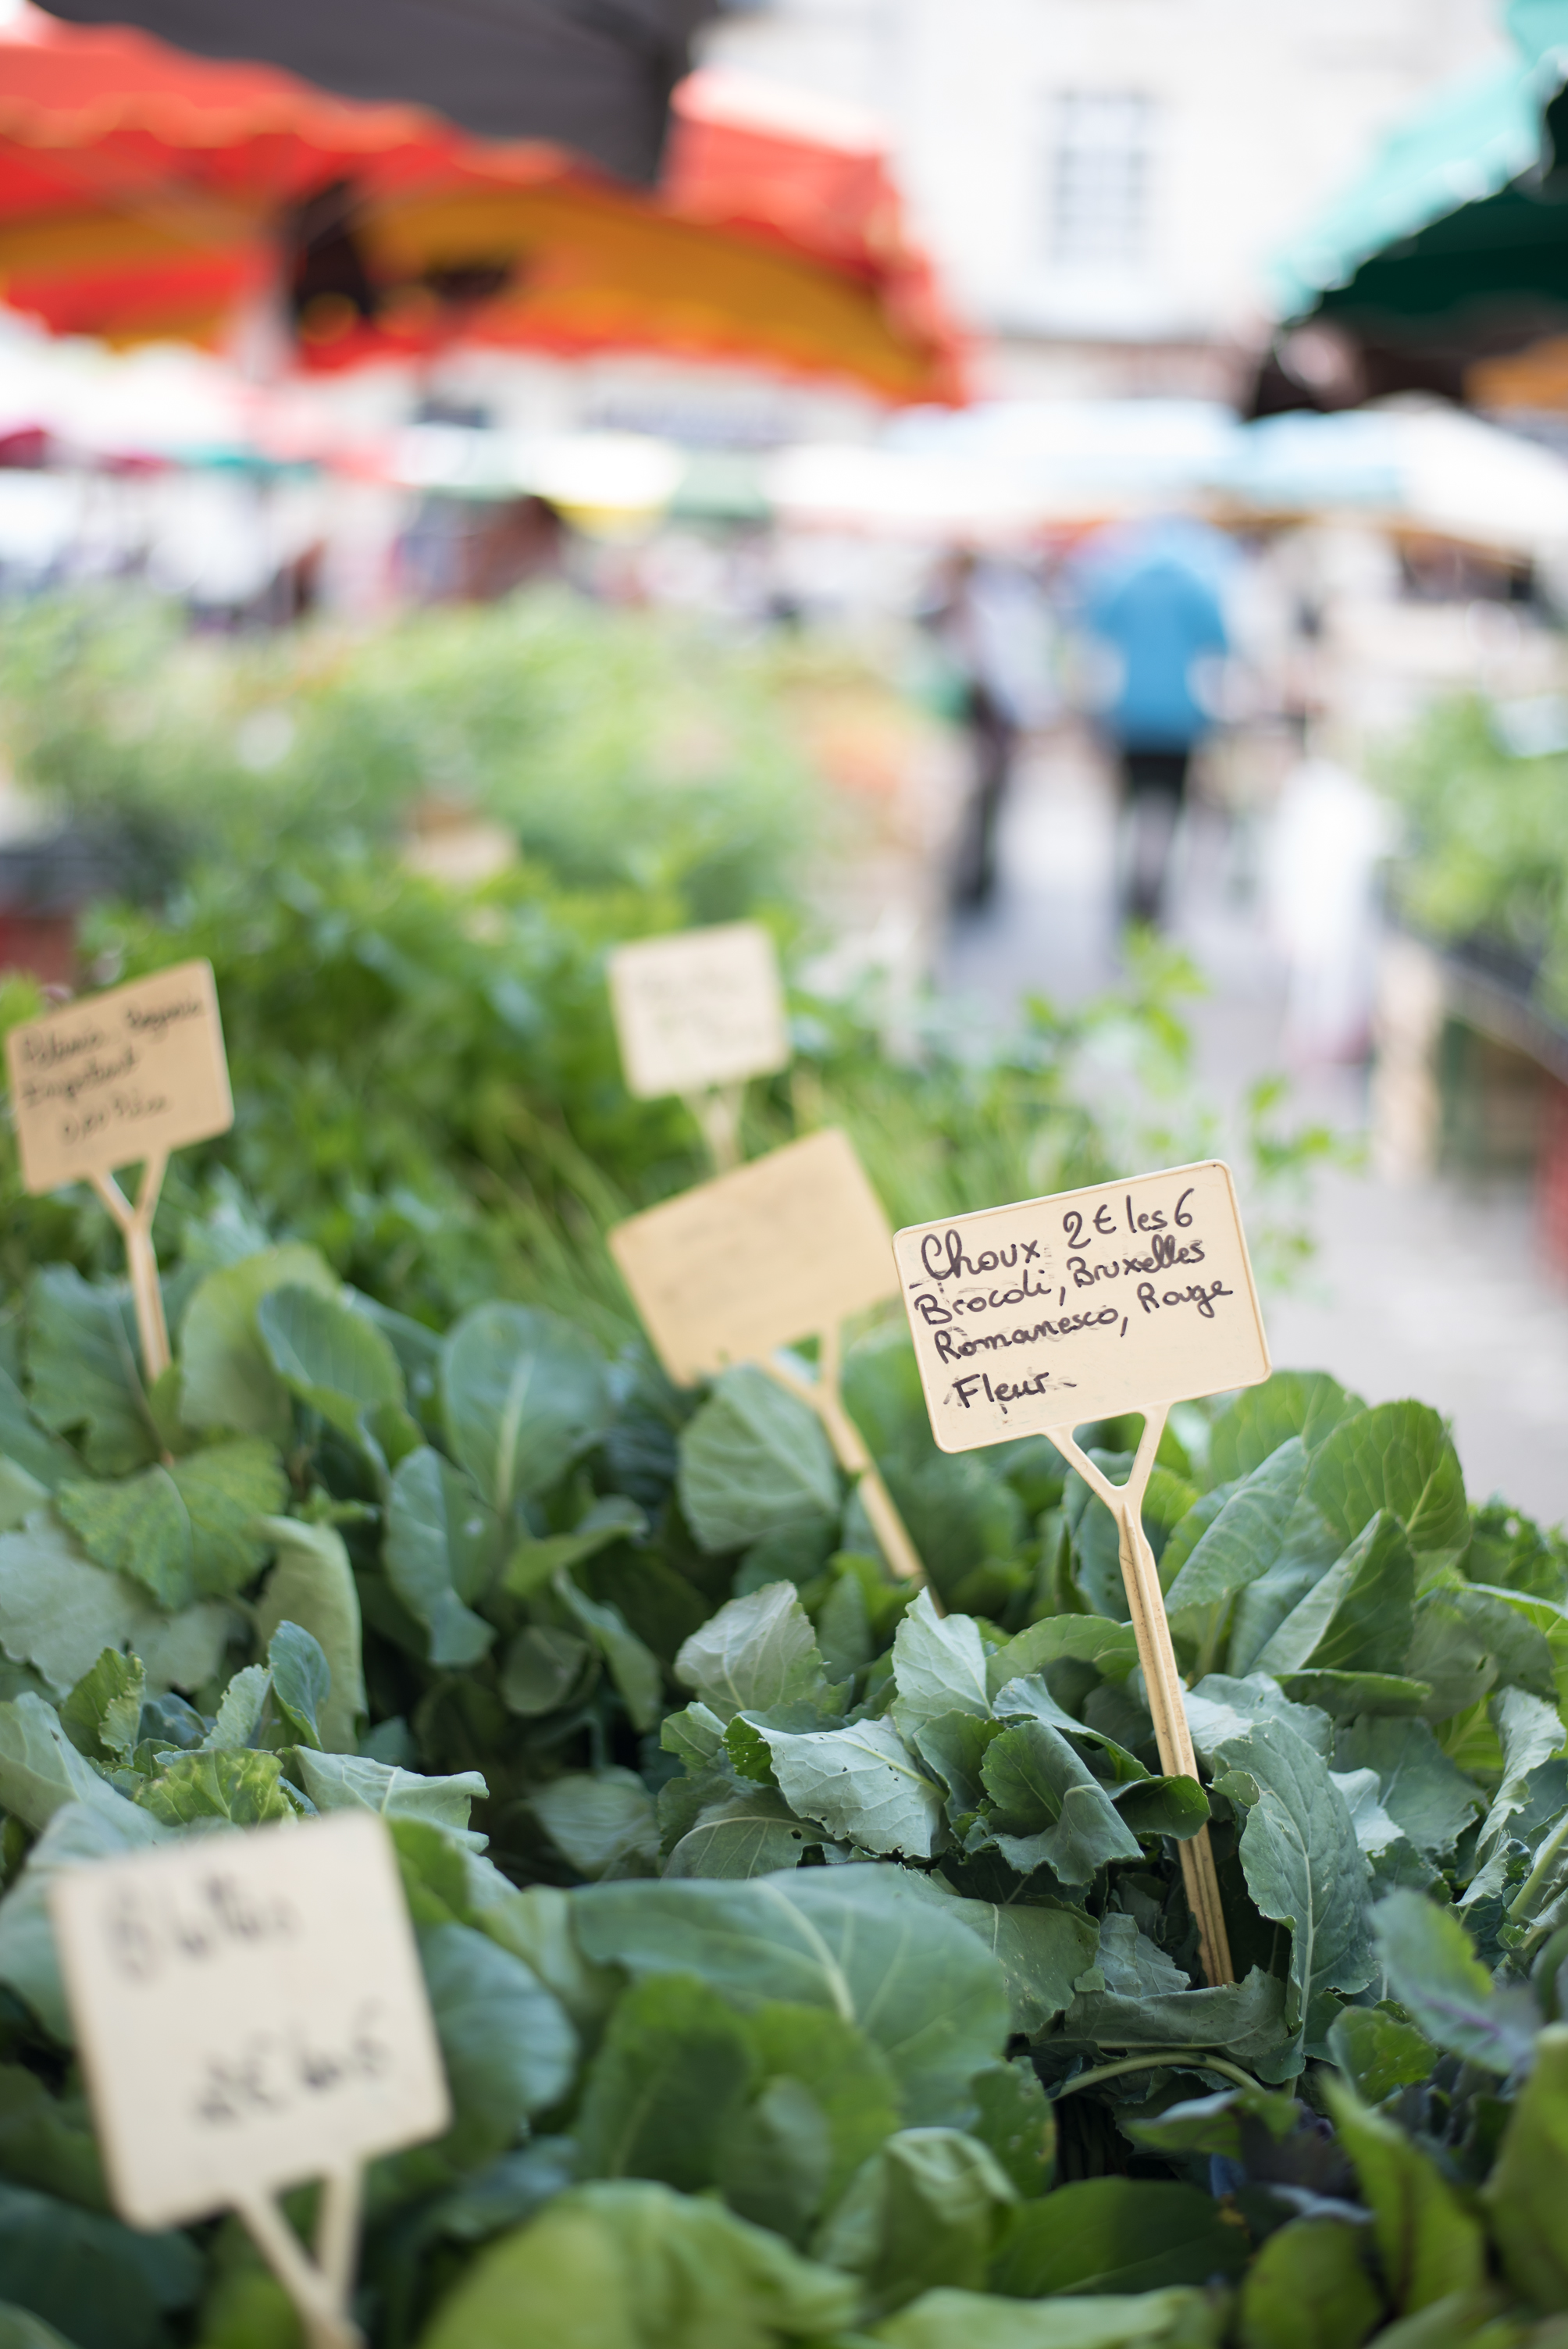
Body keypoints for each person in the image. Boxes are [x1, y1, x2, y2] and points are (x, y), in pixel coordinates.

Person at [1074, 517, 1231, 925]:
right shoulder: (1197, 583)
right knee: (1168, 812)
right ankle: (1154, 900)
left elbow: (1095, 638)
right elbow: (1221, 645)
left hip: (1130, 714)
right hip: (1182, 719)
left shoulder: (1123, 580)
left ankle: (1130, 901)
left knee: (1127, 810)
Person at [928, 550, 1057, 910]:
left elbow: (993, 672)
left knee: (984, 803)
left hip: (987, 720)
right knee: (982, 804)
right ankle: (978, 882)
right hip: (990, 720)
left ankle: (979, 885)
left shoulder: (980, 611)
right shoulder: (982, 609)